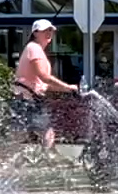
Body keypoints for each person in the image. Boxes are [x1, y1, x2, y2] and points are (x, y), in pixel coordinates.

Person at [12, 19, 80, 152]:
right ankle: (46, 158)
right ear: (35, 33)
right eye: (44, 31)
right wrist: (67, 87)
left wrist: (67, 90)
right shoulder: (34, 48)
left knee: (32, 134)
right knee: (46, 131)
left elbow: (43, 84)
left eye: (51, 30)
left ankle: (33, 158)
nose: (49, 33)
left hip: (29, 98)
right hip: (27, 98)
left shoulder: (36, 49)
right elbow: (43, 76)